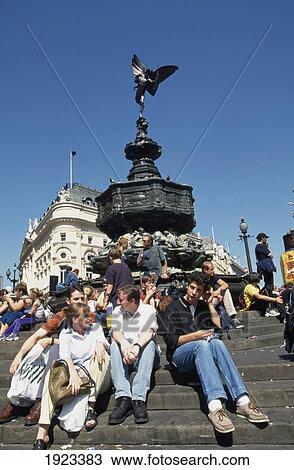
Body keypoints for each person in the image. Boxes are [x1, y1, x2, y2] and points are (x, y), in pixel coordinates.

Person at [162, 273, 269, 434]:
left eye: (199, 290)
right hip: (179, 357)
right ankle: (215, 407)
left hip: (201, 351)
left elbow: (218, 326)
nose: (194, 293)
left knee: (216, 342)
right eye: (192, 288)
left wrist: (209, 303)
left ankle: (242, 400)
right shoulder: (173, 307)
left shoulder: (202, 306)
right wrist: (195, 336)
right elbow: (170, 340)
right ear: (187, 286)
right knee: (201, 344)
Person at [0, 286, 85, 426]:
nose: (80, 301)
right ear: (69, 301)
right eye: (76, 299)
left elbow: (85, 342)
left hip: (78, 356)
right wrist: (19, 355)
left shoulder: (89, 314)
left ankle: (41, 402)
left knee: (51, 349)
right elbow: (37, 335)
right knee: (37, 347)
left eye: (82, 298)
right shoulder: (62, 314)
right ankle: (15, 402)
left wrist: (52, 340)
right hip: (64, 353)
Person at [33, 303, 111, 450]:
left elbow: (103, 341)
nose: (89, 319)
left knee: (102, 356)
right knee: (53, 374)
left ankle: (91, 409)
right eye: (85, 316)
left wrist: (101, 345)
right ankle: (42, 433)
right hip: (80, 378)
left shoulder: (95, 328)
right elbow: (65, 356)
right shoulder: (65, 334)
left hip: (99, 377)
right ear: (75, 319)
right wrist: (73, 375)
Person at [108, 285, 160, 425]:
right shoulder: (117, 311)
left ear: (132, 301)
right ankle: (123, 397)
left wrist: (136, 347)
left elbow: (149, 332)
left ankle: (138, 398)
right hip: (126, 354)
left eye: (121, 300)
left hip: (144, 354)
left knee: (149, 344)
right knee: (114, 344)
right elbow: (115, 332)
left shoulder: (148, 310)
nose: (118, 302)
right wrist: (124, 344)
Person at [202, 261, 243, 329]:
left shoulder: (213, 276)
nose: (213, 271)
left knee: (225, 290)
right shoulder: (201, 278)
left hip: (212, 299)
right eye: (211, 269)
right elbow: (203, 294)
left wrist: (219, 290)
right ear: (205, 270)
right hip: (204, 301)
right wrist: (216, 295)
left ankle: (232, 317)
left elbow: (225, 284)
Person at [103, 246, 134, 310]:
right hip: (127, 300)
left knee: (110, 319)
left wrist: (105, 301)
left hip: (114, 301)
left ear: (110, 257)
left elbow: (110, 286)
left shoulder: (111, 268)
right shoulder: (127, 269)